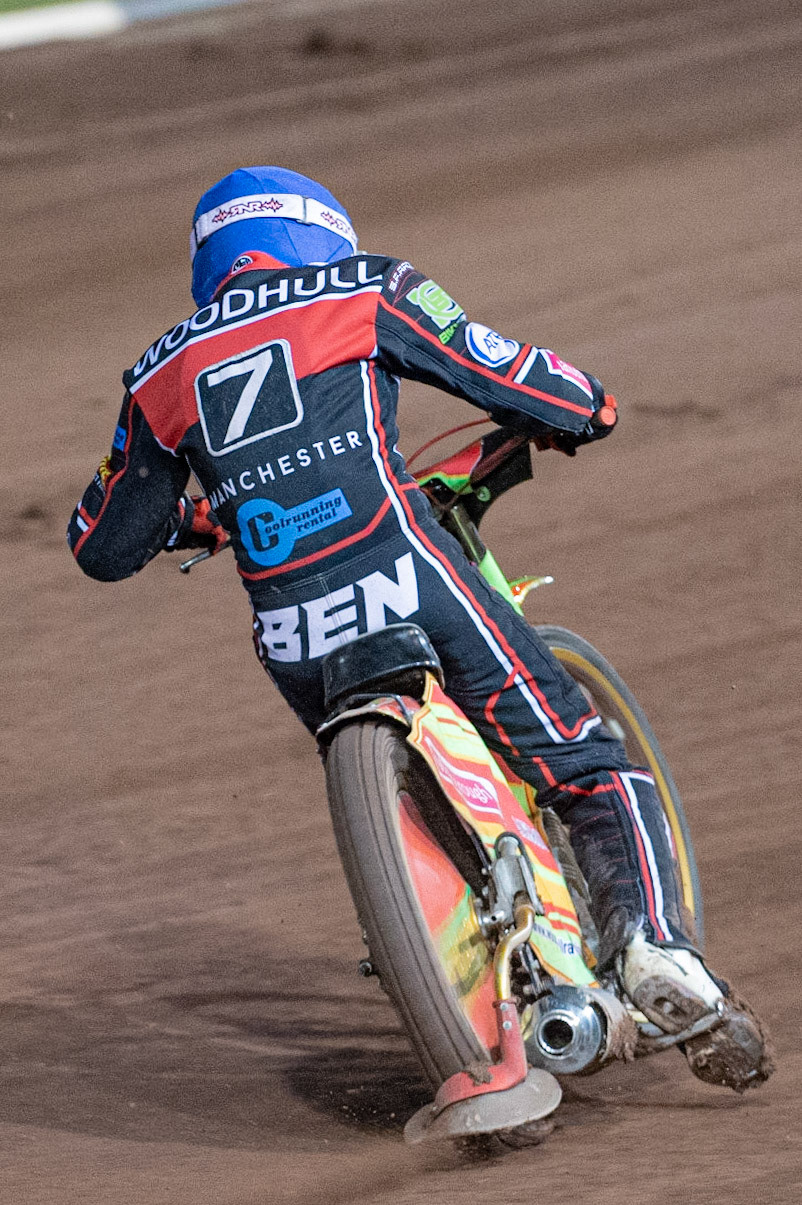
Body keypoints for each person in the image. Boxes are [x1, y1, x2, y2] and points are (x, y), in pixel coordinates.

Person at [68, 166, 771, 1092]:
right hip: (410, 576)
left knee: (398, 787)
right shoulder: (364, 289)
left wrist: (206, 512)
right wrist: (586, 404)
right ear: (321, 236)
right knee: (586, 763)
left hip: (294, 637)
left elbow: (104, 542)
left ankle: (451, 942)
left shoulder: (158, 373)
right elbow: (501, 369)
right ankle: (656, 951)